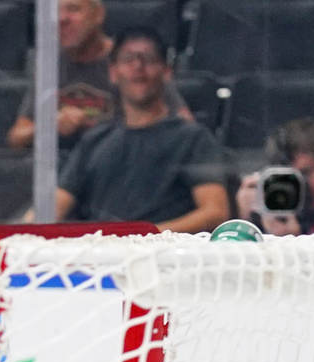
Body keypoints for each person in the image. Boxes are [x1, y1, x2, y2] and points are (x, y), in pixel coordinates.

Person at [51, 28, 229, 232]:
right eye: (128, 59)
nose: (138, 66)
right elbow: (53, 208)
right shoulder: (94, 140)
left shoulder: (193, 138)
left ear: (166, 72)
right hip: (98, 255)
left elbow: (215, 212)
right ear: (113, 72)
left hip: (164, 256)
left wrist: (144, 236)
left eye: (149, 59)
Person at [6, 0, 188, 154]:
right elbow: (16, 137)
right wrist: (48, 127)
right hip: (65, 173)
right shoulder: (49, 65)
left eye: (74, 9)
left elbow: (186, 128)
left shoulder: (132, 61)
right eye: (55, 12)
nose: (62, 19)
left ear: (98, 15)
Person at [236, 117, 314, 235]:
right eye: (287, 178)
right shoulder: (272, 213)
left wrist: (289, 242)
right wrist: (249, 221)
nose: (297, 186)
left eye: (305, 174)